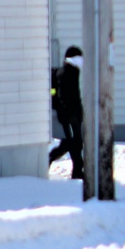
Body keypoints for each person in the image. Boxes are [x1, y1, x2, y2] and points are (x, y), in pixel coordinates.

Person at [49, 46, 85, 179]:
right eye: (79, 58)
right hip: (68, 115)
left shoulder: (74, 71)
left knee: (75, 142)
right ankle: (77, 171)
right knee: (74, 143)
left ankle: (77, 170)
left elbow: (75, 95)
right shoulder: (65, 73)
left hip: (74, 114)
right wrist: (65, 111)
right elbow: (62, 95)